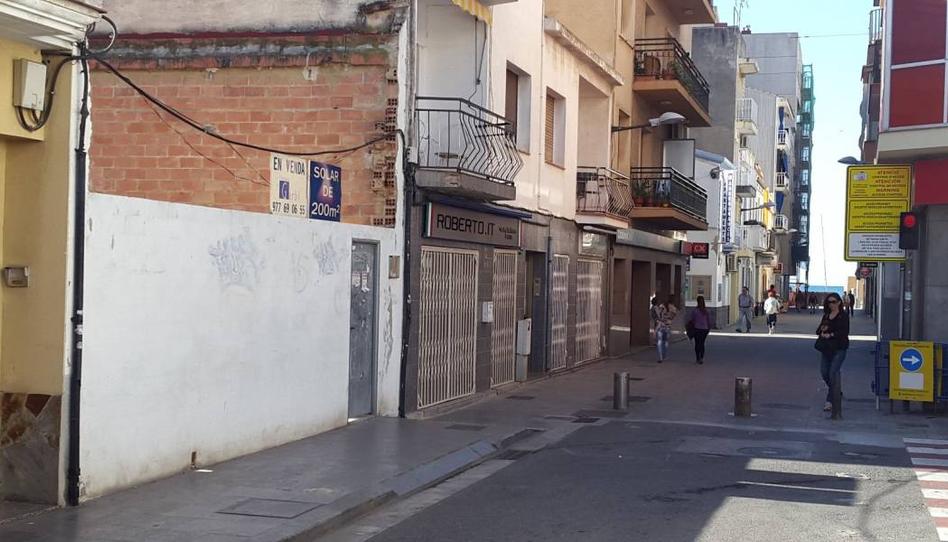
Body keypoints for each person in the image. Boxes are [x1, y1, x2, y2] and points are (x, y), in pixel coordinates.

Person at [816, 293, 850, 411]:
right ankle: (836, 390)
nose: (831, 304)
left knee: (832, 373)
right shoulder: (826, 315)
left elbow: (844, 332)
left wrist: (831, 334)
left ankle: (830, 400)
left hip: (839, 348)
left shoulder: (843, 316)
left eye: (833, 302)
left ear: (839, 302)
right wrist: (822, 330)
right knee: (824, 372)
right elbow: (818, 330)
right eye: (829, 302)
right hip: (826, 348)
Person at [687, 296, 713, 364]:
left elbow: (692, 320)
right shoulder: (706, 311)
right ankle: (701, 357)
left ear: (697, 302)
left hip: (697, 329)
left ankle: (698, 358)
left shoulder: (695, 311)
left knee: (697, 344)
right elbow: (709, 321)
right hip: (705, 329)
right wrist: (708, 328)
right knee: (702, 343)